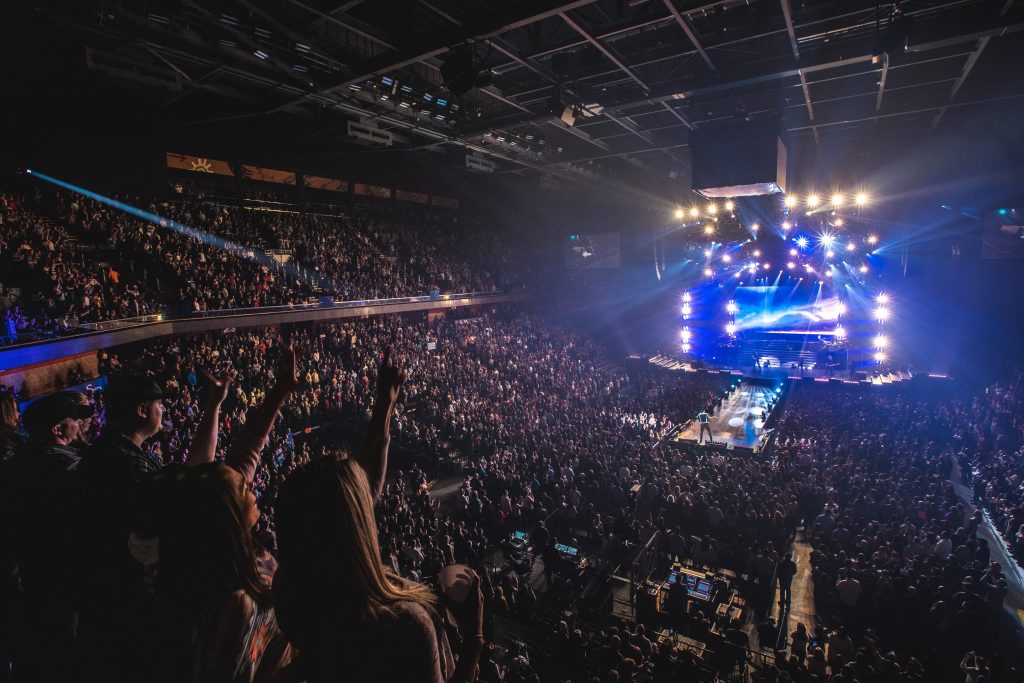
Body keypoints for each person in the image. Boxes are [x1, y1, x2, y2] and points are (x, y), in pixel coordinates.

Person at [274, 349, 485, 682]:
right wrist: (473, 641)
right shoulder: (403, 624)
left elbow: (363, 490)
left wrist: (384, 406)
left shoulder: (291, 589)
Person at [144, 348, 297, 683]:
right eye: (243, 489)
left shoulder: (207, 524)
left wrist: (280, 391)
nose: (252, 488)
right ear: (226, 514)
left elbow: (248, 449)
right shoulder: (234, 604)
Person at [3, 393, 92, 682]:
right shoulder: (68, 468)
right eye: (75, 420)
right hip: (63, 581)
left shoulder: (16, 463)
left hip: (30, 582)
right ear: (58, 430)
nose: (80, 423)